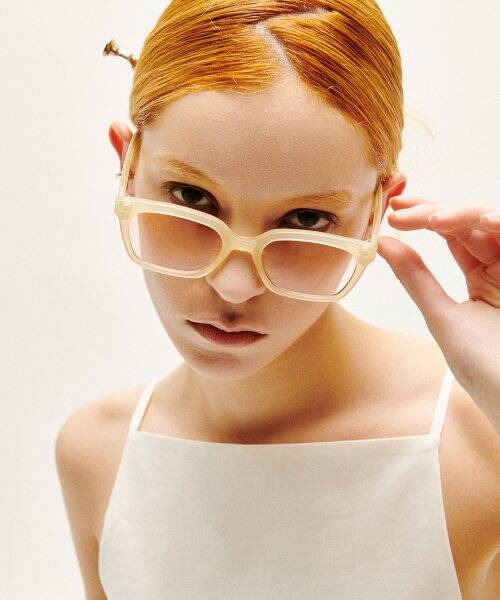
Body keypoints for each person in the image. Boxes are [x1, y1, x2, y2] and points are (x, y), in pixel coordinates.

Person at [56, 2, 500, 599]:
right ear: (128, 167)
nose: (235, 284)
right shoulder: (98, 456)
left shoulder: (479, 446)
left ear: (376, 210)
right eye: (191, 197)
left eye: (305, 218)